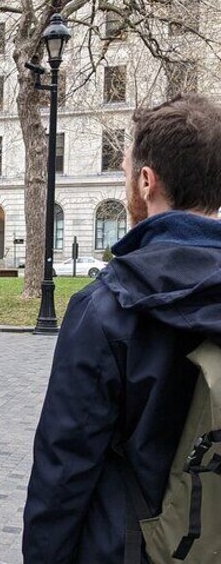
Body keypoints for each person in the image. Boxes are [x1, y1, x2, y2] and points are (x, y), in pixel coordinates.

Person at [23, 94, 221, 563]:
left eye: (127, 168)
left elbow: (63, 473)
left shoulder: (106, 307)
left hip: (126, 546)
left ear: (147, 181)